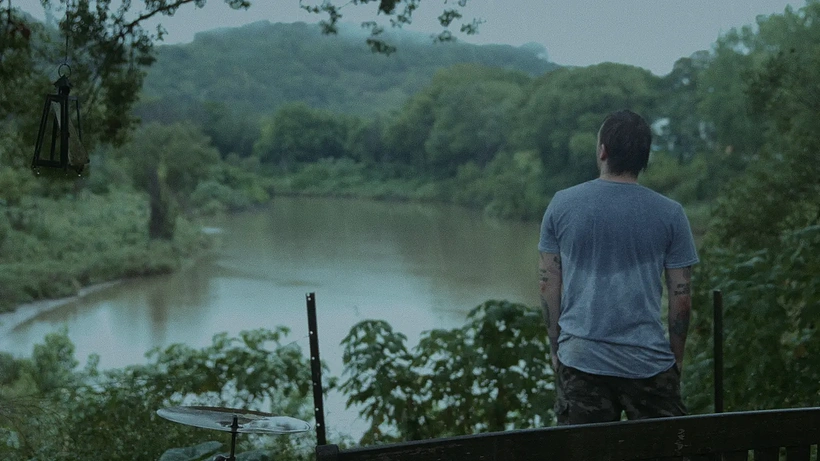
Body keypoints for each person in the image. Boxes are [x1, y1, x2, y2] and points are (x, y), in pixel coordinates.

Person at [538, 109, 699, 425]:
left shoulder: (562, 204)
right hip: (649, 362)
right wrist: (676, 360)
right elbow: (681, 298)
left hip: (581, 359)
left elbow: (548, 284)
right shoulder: (671, 214)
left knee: (584, 449)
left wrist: (556, 348)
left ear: (603, 151)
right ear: (644, 158)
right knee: (666, 448)